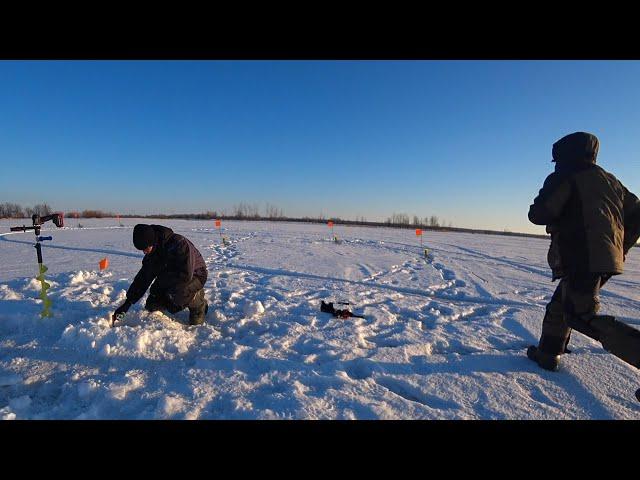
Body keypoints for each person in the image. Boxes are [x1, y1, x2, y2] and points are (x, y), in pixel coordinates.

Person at [527, 131, 640, 372]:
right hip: (603, 258)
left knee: (580, 315)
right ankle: (548, 354)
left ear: (565, 157)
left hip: (582, 256)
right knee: (561, 305)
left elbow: (539, 213)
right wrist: (620, 247)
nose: (556, 165)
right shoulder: (611, 180)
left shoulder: (566, 176)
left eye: (557, 160)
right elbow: (637, 214)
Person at [112, 224, 208, 325]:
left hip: (195, 275)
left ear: (152, 242)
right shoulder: (152, 253)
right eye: (142, 250)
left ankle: (198, 303)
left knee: (176, 298)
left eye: (145, 248)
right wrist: (128, 303)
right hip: (170, 276)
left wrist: (168, 294)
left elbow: (185, 274)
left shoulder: (179, 244)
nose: (144, 252)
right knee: (152, 304)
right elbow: (143, 278)